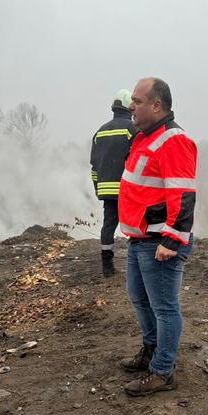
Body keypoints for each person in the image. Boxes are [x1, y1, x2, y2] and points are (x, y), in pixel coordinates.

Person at [118, 77, 197, 396]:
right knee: (139, 297)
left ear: (157, 104)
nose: (130, 106)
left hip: (158, 242)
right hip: (140, 238)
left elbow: (183, 194)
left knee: (164, 307)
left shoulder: (173, 140)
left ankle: (163, 371)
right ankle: (151, 350)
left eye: (136, 101)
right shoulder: (144, 138)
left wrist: (172, 240)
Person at [90, 89, 135, 276]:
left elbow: (94, 166)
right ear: (128, 107)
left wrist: (97, 188)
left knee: (109, 224)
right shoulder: (132, 130)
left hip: (106, 189)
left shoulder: (99, 132)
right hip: (128, 188)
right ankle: (137, 264)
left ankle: (107, 266)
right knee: (135, 224)